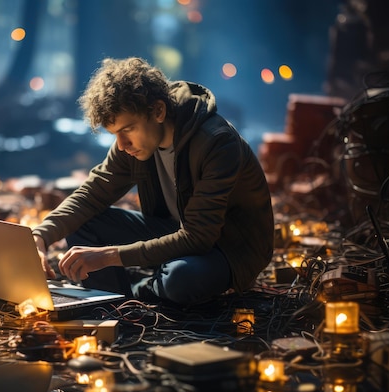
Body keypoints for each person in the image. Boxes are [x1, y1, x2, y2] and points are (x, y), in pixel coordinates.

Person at [31, 57, 274, 306]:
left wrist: (109, 256)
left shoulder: (217, 143)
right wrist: (40, 237)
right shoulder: (133, 146)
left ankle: (137, 294)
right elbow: (91, 194)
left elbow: (198, 237)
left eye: (126, 130)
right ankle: (112, 308)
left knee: (182, 278)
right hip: (173, 232)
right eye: (115, 134)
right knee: (82, 223)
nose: (122, 145)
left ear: (158, 111)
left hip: (227, 250)